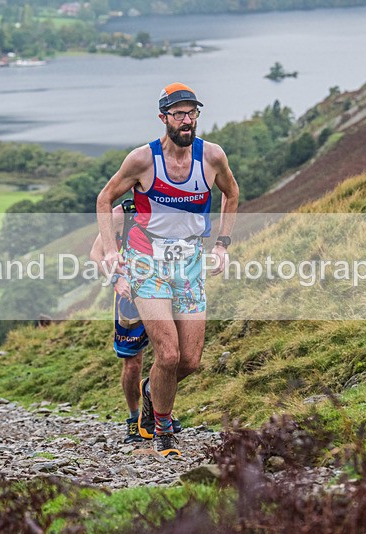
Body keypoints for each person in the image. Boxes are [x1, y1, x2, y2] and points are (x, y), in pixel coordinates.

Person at [96, 82, 239, 456]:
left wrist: (222, 244)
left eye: (192, 112)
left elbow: (232, 193)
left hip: (189, 264)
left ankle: (151, 391)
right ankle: (163, 433)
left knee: (190, 361)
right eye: (178, 113)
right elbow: (104, 198)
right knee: (169, 355)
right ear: (163, 118)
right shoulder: (143, 160)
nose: (187, 119)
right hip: (147, 263)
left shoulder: (212, 157)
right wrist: (112, 255)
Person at [89, 201, 183, 445]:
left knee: (170, 356)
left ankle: (159, 411)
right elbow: (96, 254)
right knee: (133, 363)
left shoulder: (173, 206)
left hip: (165, 291)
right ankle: (133, 418)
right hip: (130, 296)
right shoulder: (123, 213)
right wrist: (115, 280)